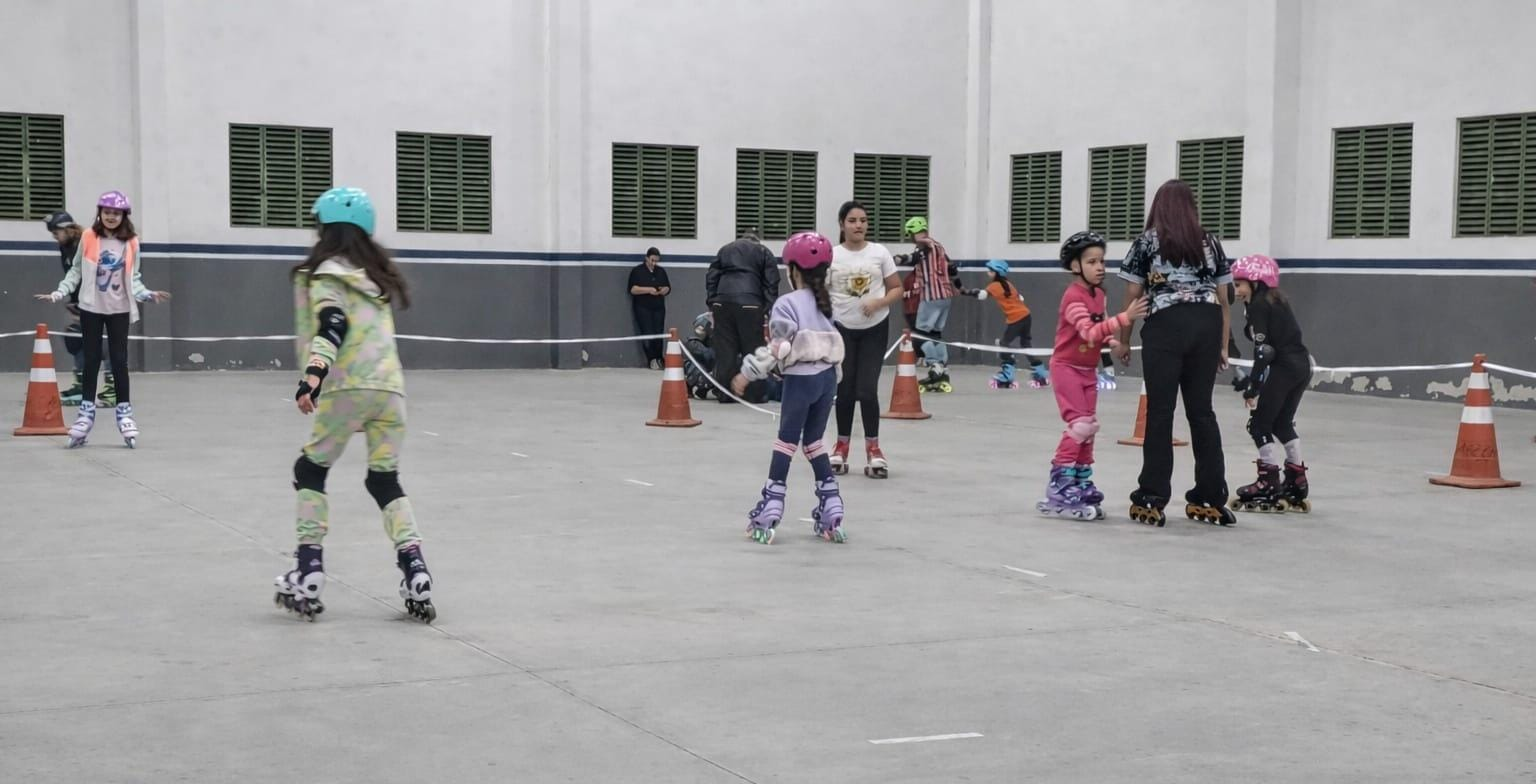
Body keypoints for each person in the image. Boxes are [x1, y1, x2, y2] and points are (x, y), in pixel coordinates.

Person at [273, 187, 436, 623]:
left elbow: (332, 324)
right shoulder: (375, 281)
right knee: (384, 480)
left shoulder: (328, 275)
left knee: (310, 470)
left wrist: (314, 375)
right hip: (391, 391)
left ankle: (308, 567)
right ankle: (414, 566)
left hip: (347, 388)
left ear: (327, 230)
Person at [1115, 180, 1235, 527]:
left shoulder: (1146, 241)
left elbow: (1133, 294)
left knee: (1161, 412)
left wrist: (1124, 338)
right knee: (1202, 413)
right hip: (1207, 322)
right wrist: (1223, 345)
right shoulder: (1210, 241)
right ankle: (1211, 496)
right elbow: (1224, 298)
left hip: (1165, 324)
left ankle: (1152, 496)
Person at [732, 232, 846, 544]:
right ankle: (832, 503)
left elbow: (778, 348)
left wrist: (747, 373)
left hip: (802, 379)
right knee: (814, 443)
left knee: (786, 442)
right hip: (826, 381)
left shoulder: (786, 304)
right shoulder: (829, 304)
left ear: (793, 270)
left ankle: (770, 506)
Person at [37, 191, 170, 448]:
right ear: (100, 213)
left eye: (116, 213)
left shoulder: (131, 241)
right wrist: (59, 292)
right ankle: (86, 414)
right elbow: (76, 270)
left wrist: (148, 294)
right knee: (91, 359)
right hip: (92, 307)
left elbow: (134, 277)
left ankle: (124, 412)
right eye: (107, 212)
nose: (111, 217)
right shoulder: (89, 237)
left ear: (123, 216)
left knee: (119, 361)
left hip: (119, 308)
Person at [1037, 233, 1148, 520]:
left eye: (1102, 261)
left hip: (1087, 370)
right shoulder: (1073, 296)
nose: (1100, 267)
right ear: (1076, 266)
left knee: (1090, 427)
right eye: (1092, 261)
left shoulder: (1099, 294)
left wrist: (1113, 342)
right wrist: (1126, 317)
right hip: (1066, 368)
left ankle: (1081, 479)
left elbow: (1100, 331)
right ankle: (1059, 484)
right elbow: (1087, 331)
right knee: (1081, 424)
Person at [1230, 254, 1312, 513]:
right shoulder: (1277, 300)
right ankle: (1297, 480)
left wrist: (1253, 386)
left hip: (1284, 368)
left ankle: (1268, 481)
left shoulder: (1259, 305)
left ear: (1256, 282)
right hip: (1302, 366)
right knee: (1283, 423)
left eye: (1240, 284)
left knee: (1259, 425)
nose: (1237, 291)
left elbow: (1264, 352)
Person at [828, 200, 903, 478]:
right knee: (845, 389)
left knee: (867, 390)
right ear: (842, 225)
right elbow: (820, 293)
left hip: (875, 328)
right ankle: (841, 447)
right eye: (852, 220)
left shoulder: (879, 252)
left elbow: (897, 289)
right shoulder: (832, 255)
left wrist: (879, 302)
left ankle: (874, 450)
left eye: (863, 220)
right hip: (842, 329)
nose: (858, 225)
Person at [41, 211, 116, 406]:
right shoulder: (65, 247)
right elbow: (74, 275)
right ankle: (82, 388)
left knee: (107, 344)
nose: (54, 236)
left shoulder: (86, 244)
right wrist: (74, 302)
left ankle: (113, 390)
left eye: (56, 232)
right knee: (76, 340)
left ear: (68, 229)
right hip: (83, 303)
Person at [706, 229, 780, 402]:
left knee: (725, 350)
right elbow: (772, 281)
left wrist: (712, 302)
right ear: (757, 240)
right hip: (750, 302)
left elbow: (711, 277)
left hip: (722, 302)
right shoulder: (763, 251)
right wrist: (767, 308)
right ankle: (754, 395)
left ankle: (725, 394)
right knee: (753, 349)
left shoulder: (724, 249)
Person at [962, 259, 1048, 389]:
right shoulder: (1009, 284)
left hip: (1016, 318)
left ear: (997, 272)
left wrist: (965, 292)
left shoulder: (994, 286)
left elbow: (981, 295)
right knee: (1026, 345)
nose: (988, 273)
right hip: (1026, 315)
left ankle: (1007, 375)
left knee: (1004, 345)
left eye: (990, 271)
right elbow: (1021, 298)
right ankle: (1041, 374)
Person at [906, 216, 959, 392]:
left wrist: (897, 260)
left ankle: (935, 365)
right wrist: (961, 287)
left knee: (919, 336)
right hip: (945, 297)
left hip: (931, 296)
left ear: (913, 233)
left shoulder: (924, 244)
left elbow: (915, 257)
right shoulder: (939, 246)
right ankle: (943, 370)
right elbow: (952, 269)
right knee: (936, 334)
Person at [628, 247, 670, 369]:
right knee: (647, 332)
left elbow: (668, 287)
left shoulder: (661, 271)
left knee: (658, 332)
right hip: (643, 307)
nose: (654, 263)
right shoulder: (637, 271)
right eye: (652, 260)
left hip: (658, 307)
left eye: (656, 261)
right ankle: (651, 358)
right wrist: (648, 290)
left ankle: (659, 357)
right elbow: (633, 289)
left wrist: (663, 290)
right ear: (646, 258)